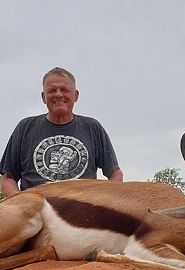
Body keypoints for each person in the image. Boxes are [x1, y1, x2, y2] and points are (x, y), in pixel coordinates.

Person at [0, 67, 123, 197]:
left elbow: (115, 173)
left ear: (76, 96)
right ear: (43, 97)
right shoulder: (25, 127)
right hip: (35, 210)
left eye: (64, 90)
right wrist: (20, 202)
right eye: (52, 90)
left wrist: (105, 201)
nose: (58, 94)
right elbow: (8, 178)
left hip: (83, 210)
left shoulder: (92, 127)